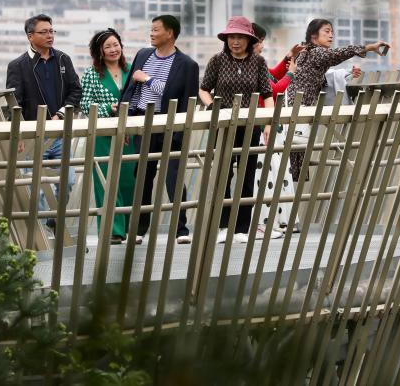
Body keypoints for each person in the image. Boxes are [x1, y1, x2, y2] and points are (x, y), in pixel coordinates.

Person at [119, 15, 200, 244]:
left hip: (170, 124)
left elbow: (180, 95)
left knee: (174, 176)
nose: (152, 34)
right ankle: (138, 229)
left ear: (170, 33)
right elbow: (129, 91)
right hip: (143, 122)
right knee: (143, 176)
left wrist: (147, 79)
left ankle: (181, 230)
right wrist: (126, 123)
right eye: (151, 29)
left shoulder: (187, 65)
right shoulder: (143, 55)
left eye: (156, 30)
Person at [285, 18, 390, 183]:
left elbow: (316, 77)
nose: (331, 35)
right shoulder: (316, 53)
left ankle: (290, 190)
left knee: (292, 156)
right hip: (298, 108)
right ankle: (292, 190)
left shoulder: (305, 52)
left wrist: (348, 73)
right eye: (327, 31)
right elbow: (338, 54)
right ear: (313, 35)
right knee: (295, 156)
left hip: (293, 106)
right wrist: (368, 47)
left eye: (332, 32)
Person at [199, 16, 275, 244]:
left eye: (240, 37)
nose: (235, 41)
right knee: (223, 175)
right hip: (223, 126)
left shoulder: (258, 62)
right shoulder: (217, 60)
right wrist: (212, 106)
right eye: (231, 37)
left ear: (249, 40)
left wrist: (268, 123)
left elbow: (267, 95)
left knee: (247, 175)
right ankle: (223, 226)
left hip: (250, 125)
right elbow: (203, 89)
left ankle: (242, 227)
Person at [6, 13, 82, 234]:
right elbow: (14, 103)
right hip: (32, 137)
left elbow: (76, 91)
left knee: (68, 181)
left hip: (59, 134)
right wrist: (18, 134)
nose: (50, 35)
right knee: (35, 189)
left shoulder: (63, 60)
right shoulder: (18, 65)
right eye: (44, 32)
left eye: (51, 31)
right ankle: (41, 233)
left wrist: (60, 114)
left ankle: (53, 219)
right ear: (30, 36)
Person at [79, 28, 137, 243]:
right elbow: (85, 104)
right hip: (103, 134)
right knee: (106, 181)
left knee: (129, 181)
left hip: (130, 133)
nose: (113, 50)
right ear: (99, 51)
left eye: (116, 45)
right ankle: (112, 230)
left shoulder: (132, 71)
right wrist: (108, 108)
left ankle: (130, 228)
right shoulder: (92, 74)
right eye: (108, 47)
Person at [251, 22, 304, 106]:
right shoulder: (251, 66)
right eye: (260, 41)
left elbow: (274, 74)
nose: (262, 46)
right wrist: (290, 73)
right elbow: (275, 91)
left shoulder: (256, 63)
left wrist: (289, 56)